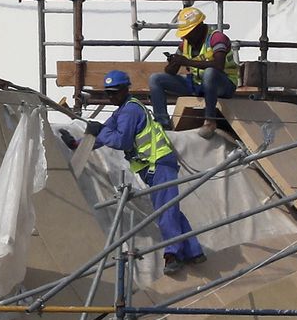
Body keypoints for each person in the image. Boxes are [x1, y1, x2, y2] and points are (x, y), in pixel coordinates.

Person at [85, 70, 207, 275]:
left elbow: (120, 140)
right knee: (169, 207)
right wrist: (79, 143)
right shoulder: (121, 111)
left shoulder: (131, 111)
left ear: (126, 89)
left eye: (115, 92)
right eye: (108, 93)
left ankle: (173, 255)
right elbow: (105, 134)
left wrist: (101, 131)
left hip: (158, 163)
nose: (112, 96)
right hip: (153, 166)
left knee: (165, 210)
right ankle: (194, 251)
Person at [149, 6, 239, 136]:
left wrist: (187, 62)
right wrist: (174, 63)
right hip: (198, 84)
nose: (185, 37)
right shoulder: (186, 43)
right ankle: (163, 124)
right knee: (155, 79)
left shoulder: (217, 38)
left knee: (210, 73)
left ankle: (210, 121)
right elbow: (170, 72)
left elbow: (218, 65)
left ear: (199, 27)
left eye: (188, 33)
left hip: (223, 85)